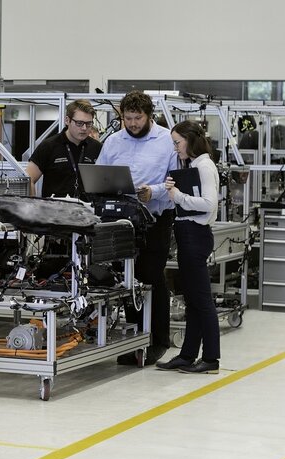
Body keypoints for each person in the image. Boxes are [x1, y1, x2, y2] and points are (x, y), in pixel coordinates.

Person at [97, 90, 175, 365]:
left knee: (151, 276)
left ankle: (158, 340)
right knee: (128, 280)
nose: (132, 123)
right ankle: (134, 339)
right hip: (122, 221)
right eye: (127, 118)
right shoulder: (114, 142)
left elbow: (175, 180)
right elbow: (99, 174)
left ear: (149, 115)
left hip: (156, 218)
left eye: (137, 118)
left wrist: (152, 192)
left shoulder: (167, 140)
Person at [157, 120, 220, 373]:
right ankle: (187, 355)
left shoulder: (204, 166)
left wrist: (178, 197)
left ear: (190, 139)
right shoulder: (193, 165)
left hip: (195, 234)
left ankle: (211, 359)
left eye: (177, 143)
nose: (175, 148)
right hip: (187, 233)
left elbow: (208, 204)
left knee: (202, 301)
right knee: (193, 300)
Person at [26, 99, 102, 199]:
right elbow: (29, 179)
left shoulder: (97, 148)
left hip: (88, 210)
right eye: (79, 123)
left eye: (88, 124)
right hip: (55, 211)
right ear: (67, 120)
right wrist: (33, 207)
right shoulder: (49, 146)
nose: (84, 128)